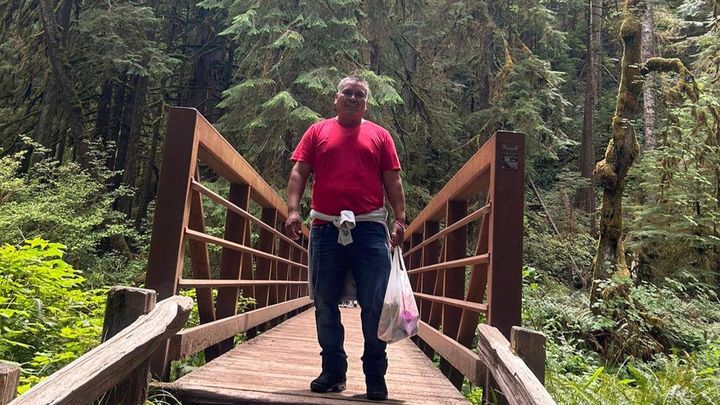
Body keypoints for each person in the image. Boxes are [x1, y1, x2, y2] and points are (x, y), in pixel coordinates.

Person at [285, 76, 406, 401]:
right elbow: (299, 171)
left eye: (359, 95)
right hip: (325, 228)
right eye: (347, 93)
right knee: (324, 301)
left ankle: (375, 376)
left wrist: (399, 219)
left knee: (374, 304)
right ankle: (333, 372)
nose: (353, 98)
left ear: (366, 103)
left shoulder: (380, 135)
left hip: (370, 229)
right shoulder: (317, 132)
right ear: (336, 98)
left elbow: (393, 180)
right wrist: (293, 210)